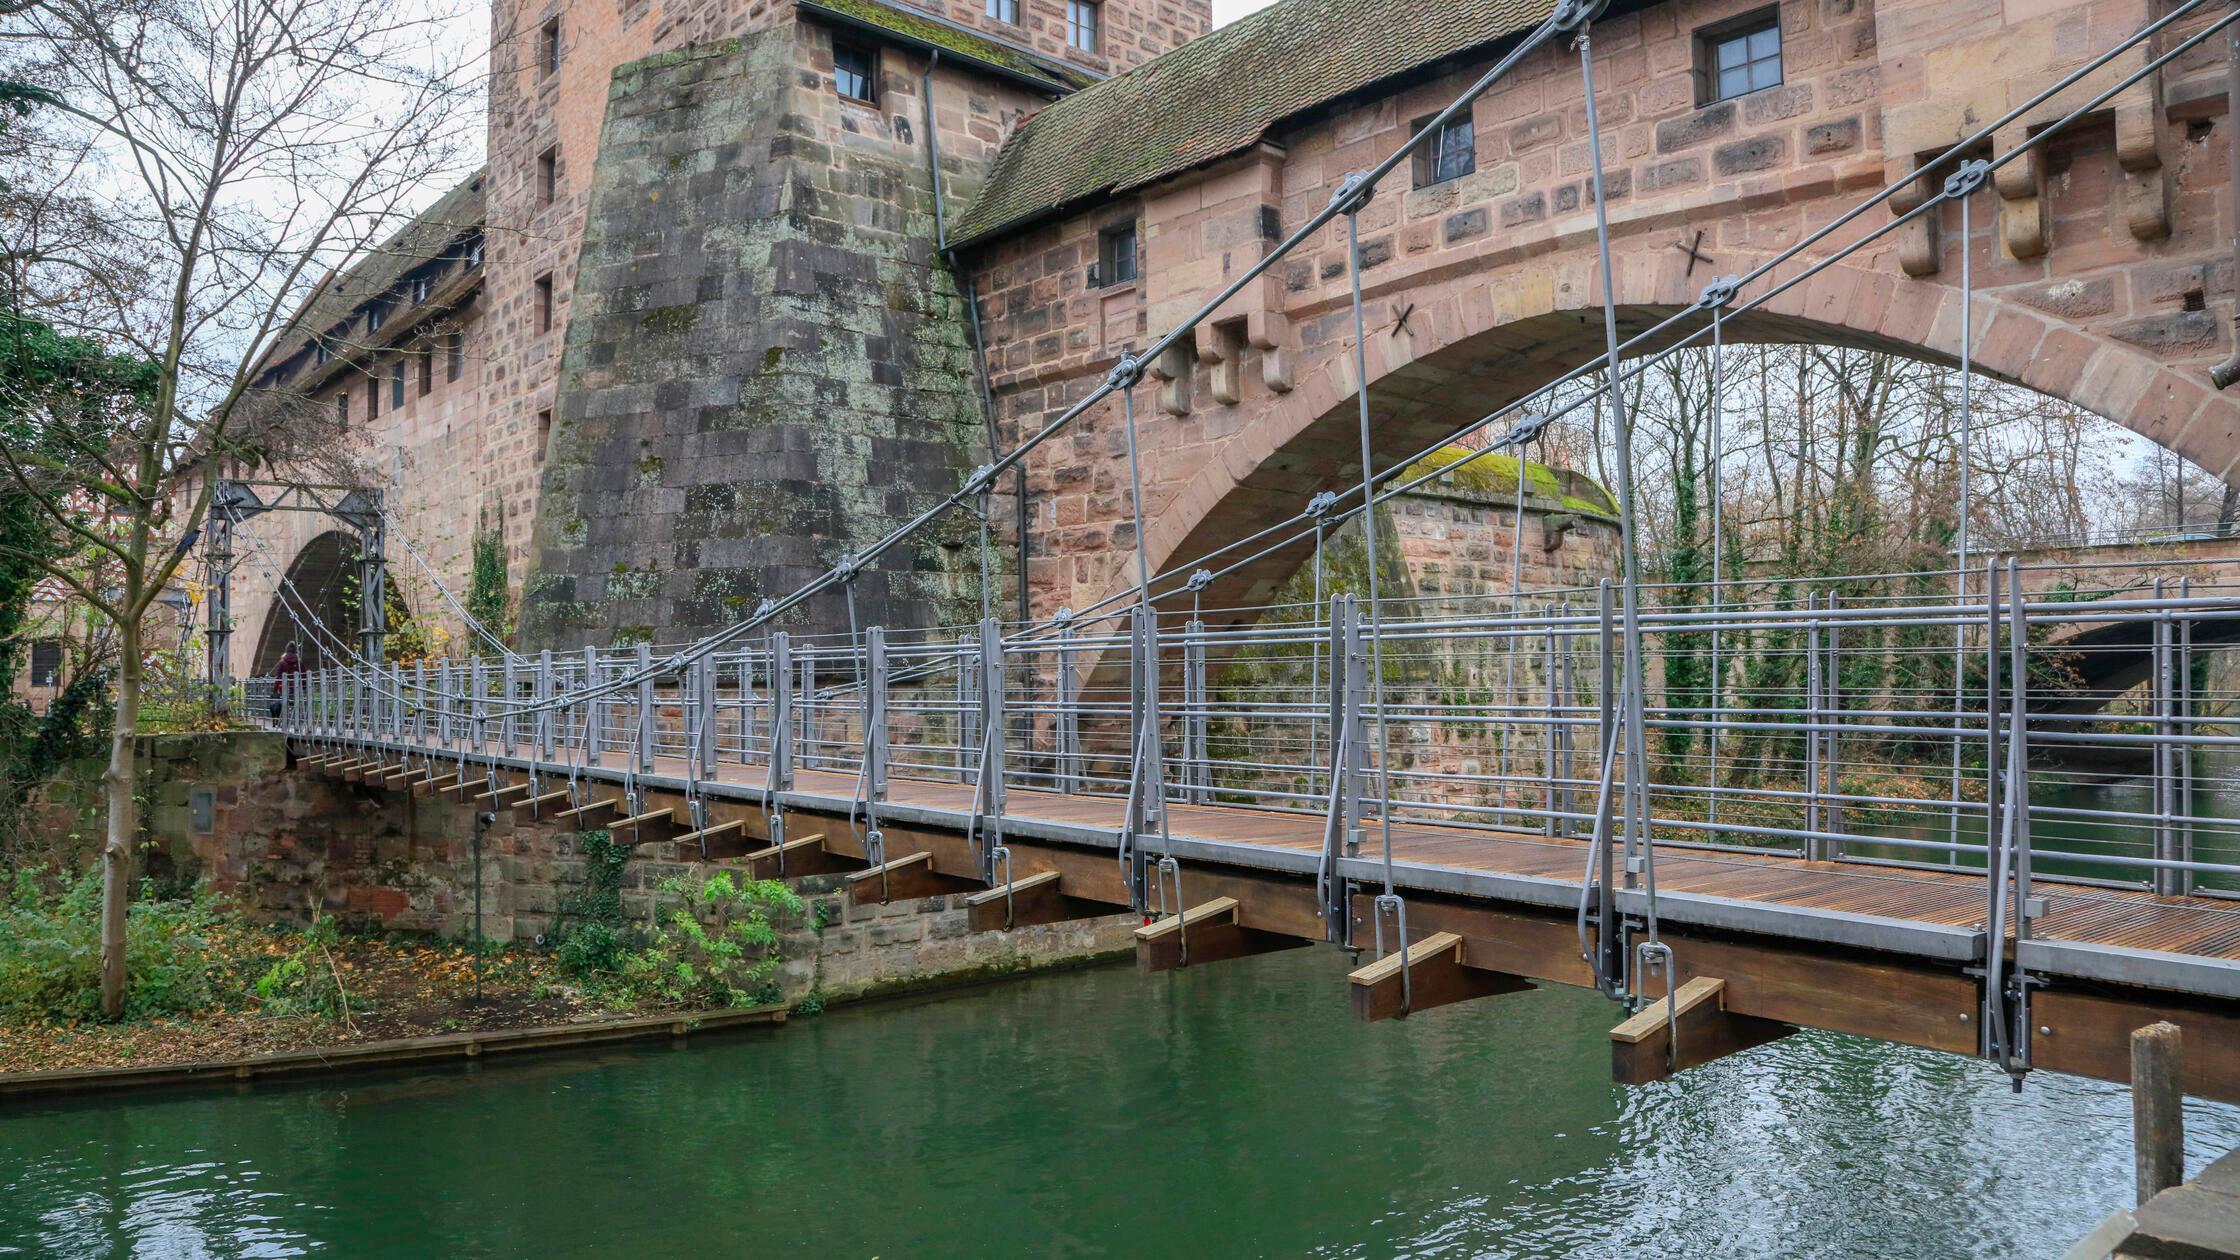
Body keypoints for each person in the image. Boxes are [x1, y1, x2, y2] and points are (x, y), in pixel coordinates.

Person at [271, 642, 303, 720]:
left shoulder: (282, 662)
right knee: (296, 703)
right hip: (296, 689)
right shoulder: (299, 662)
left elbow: (278, 677)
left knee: (283, 703)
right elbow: (304, 675)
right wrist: (304, 687)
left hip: (284, 689)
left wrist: (274, 690)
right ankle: (297, 720)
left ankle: (284, 720)